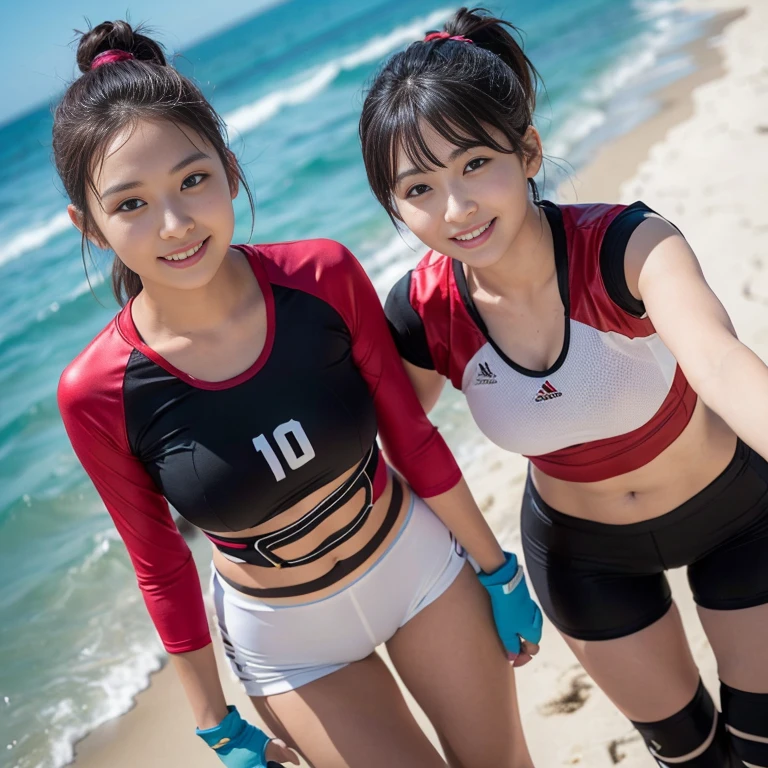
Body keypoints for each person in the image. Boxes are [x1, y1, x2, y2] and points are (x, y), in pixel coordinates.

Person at [54, 20, 543, 768]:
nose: (177, 224)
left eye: (194, 180)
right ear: (87, 227)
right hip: (289, 643)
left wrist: (496, 568)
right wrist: (214, 720)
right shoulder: (95, 391)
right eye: (131, 205)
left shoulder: (322, 277)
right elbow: (158, 562)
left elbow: (409, 434)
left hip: (414, 567)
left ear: (231, 168)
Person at [360, 7, 768, 767]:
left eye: (475, 164)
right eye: (418, 188)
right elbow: (386, 452)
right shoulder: (422, 312)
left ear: (529, 151)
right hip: (584, 560)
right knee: (694, 757)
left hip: (739, 517)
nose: (456, 208)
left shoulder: (628, 245)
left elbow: (717, 361)